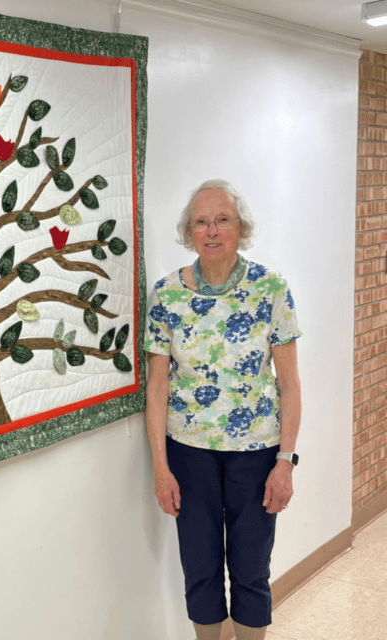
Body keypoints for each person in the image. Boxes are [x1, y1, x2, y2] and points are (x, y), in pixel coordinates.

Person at [143, 180, 301, 640]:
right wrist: (160, 466)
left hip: (257, 453)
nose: (211, 230)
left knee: (251, 570)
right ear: (189, 231)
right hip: (189, 453)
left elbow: (289, 384)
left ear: (240, 228)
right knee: (200, 567)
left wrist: (285, 463)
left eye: (222, 219)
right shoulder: (167, 295)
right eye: (201, 221)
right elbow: (156, 387)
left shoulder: (270, 289)